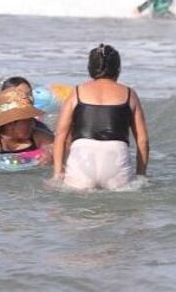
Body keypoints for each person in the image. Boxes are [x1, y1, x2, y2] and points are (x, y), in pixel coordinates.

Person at [52, 44, 150, 191]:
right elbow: (142, 140)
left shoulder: (77, 92)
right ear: (118, 69)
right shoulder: (129, 94)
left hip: (82, 160)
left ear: (90, 68)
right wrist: (141, 175)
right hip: (116, 161)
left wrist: (57, 173)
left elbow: (60, 135)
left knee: (74, 213)